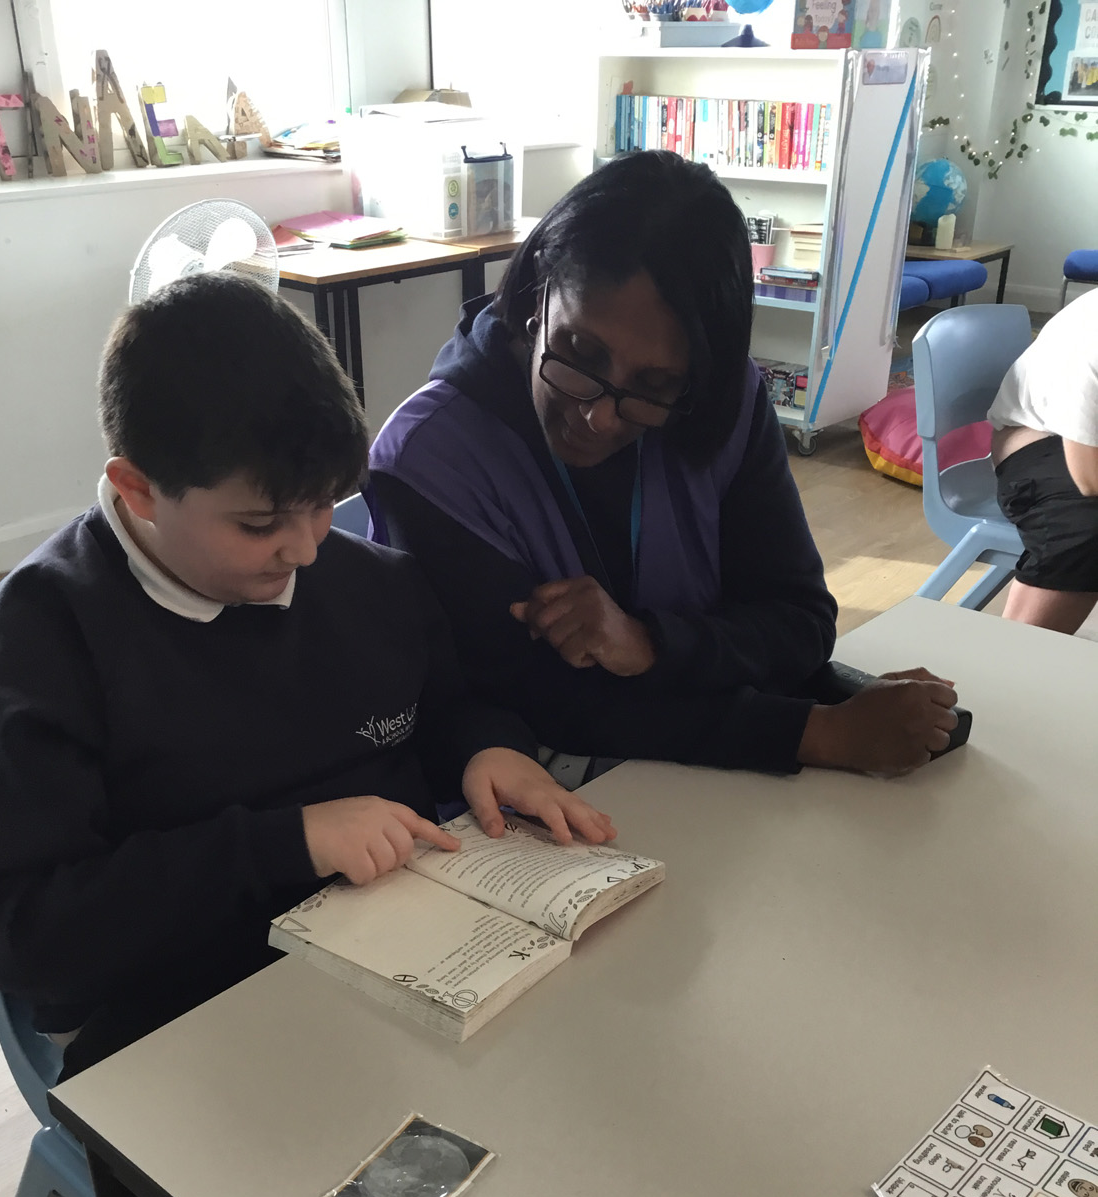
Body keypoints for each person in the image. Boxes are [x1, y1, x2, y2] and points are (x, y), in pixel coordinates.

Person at [0, 271, 613, 1197]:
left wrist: (484, 747)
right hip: (180, 1028)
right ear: (135, 491)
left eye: (326, 506)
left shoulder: (358, 583)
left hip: (397, 971)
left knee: (589, 1130)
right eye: (264, 523)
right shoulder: (40, 648)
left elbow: (445, 699)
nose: (308, 548)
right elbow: (30, 935)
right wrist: (284, 842)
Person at [368, 151, 958, 783]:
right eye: (579, 351)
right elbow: (526, 705)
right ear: (540, 291)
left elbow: (801, 623)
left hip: (708, 782)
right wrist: (814, 733)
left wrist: (648, 643)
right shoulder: (429, 460)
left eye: (653, 386)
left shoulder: (724, 401)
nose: (599, 417)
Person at [989, 287, 1098, 633]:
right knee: (1086, 525)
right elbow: (1089, 478)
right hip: (1038, 438)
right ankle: (1016, 652)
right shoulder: (1093, 332)